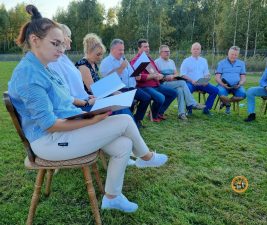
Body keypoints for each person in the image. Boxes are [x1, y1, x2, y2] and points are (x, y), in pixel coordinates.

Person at [8, 5, 168, 213]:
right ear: (35, 41)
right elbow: (48, 124)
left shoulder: (44, 68)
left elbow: (65, 100)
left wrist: (88, 107)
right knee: (125, 121)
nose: (61, 48)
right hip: (49, 141)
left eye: (62, 43)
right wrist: (92, 119)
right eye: (55, 43)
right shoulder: (29, 74)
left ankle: (112, 197)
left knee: (123, 145)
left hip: (67, 127)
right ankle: (146, 157)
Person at [100, 38, 151, 128]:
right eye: (120, 50)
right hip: (117, 90)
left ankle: (137, 119)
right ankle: (129, 123)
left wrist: (136, 74)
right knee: (128, 102)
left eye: (123, 49)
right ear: (112, 49)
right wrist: (121, 68)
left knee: (146, 98)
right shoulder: (106, 62)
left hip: (130, 87)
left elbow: (130, 73)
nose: (122, 52)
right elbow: (107, 81)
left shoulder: (123, 60)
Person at [48, 24, 95, 112]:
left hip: (82, 101)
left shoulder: (63, 58)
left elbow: (73, 87)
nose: (70, 39)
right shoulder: (54, 61)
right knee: (117, 110)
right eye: (68, 36)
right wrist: (86, 102)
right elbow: (63, 94)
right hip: (75, 108)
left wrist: (86, 96)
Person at [130, 39, 177, 122]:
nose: (147, 48)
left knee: (173, 93)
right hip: (145, 87)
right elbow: (137, 77)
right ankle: (154, 115)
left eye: (148, 46)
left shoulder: (149, 59)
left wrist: (160, 75)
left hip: (156, 84)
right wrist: (152, 76)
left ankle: (159, 112)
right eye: (145, 47)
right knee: (161, 97)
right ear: (139, 48)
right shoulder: (135, 61)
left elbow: (156, 71)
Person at [154, 44, 205, 120]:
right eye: (165, 51)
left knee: (180, 90)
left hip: (173, 82)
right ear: (160, 53)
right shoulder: (156, 62)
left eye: (169, 51)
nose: (168, 53)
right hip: (163, 83)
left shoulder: (171, 61)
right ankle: (192, 103)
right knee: (182, 83)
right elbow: (156, 76)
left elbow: (176, 73)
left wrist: (173, 76)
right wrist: (165, 77)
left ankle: (181, 113)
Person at [180, 42, 219, 115]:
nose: (196, 50)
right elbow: (182, 75)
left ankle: (206, 109)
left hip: (202, 83)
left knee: (215, 90)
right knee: (187, 89)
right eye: (194, 49)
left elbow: (206, 73)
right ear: (191, 50)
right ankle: (189, 109)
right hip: (190, 83)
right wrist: (192, 81)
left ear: (200, 50)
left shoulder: (204, 61)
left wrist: (206, 80)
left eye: (198, 49)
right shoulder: (186, 61)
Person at [215, 46, 246, 114]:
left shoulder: (241, 63)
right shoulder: (221, 63)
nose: (233, 56)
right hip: (223, 85)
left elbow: (243, 78)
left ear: (238, 55)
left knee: (243, 95)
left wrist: (240, 84)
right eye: (232, 54)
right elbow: (217, 77)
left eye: (236, 55)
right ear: (228, 53)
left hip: (236, 86)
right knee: (221, 93)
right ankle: (227, 105)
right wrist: (223, 84)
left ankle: (226, 102)